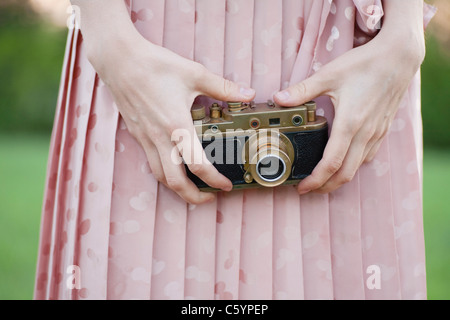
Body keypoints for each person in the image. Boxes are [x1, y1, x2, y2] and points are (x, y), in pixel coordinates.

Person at [34, 0, 436, 300]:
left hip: (358, 61)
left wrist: (405, 35)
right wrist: (109, 38)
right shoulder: (122, 53)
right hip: (138, 55)